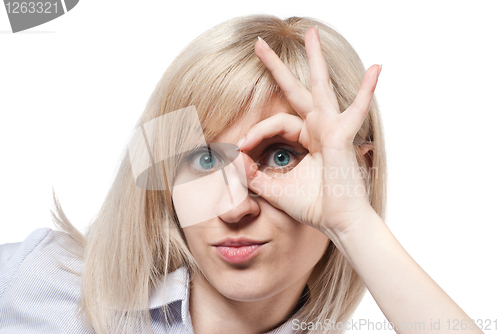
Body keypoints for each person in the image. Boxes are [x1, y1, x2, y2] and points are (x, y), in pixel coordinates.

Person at [0, 14, 485, 334]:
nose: (235, 207)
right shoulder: (44, 279)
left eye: (280, 156)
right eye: (206, 159)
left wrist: (352, 219)